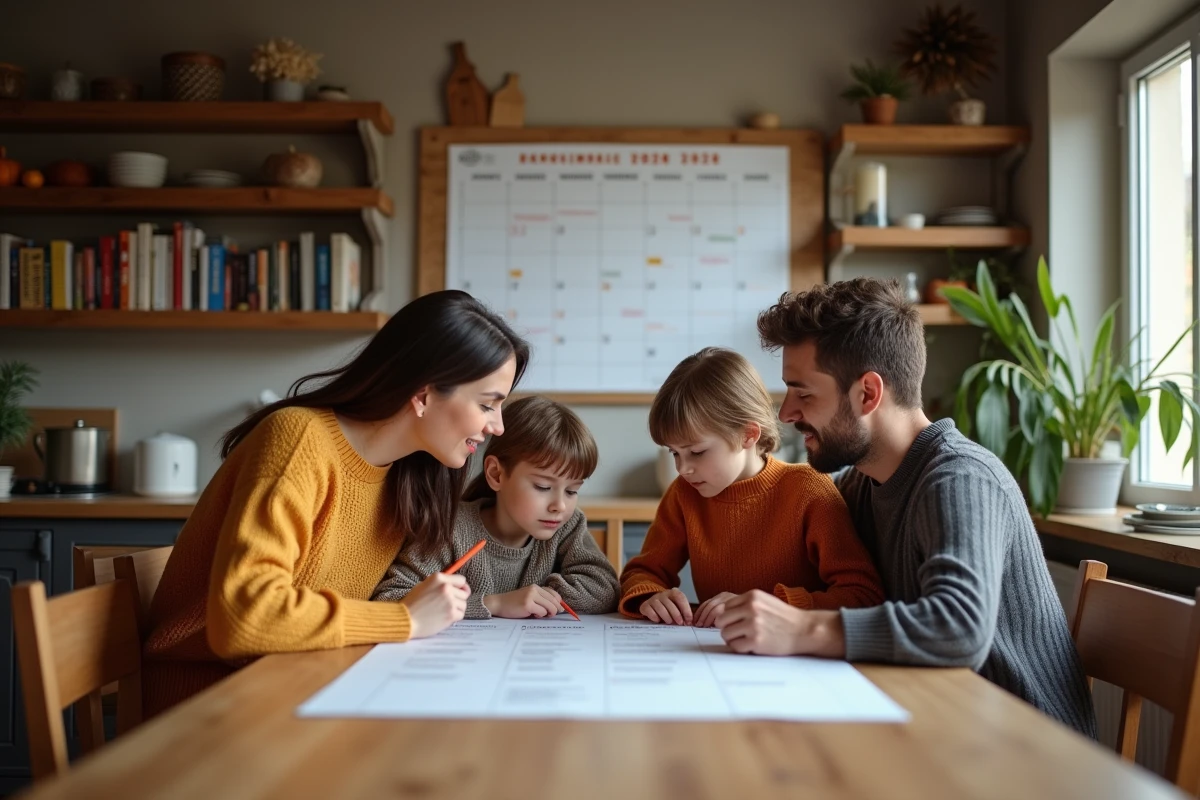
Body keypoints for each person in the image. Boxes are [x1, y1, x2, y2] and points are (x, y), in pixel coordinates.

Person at [714, 278, 1097, 736]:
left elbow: (959, 627)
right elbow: (782, 512)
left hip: (1030, 755)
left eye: (804, 393)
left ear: (868, 394)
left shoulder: (961, 477)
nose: (787, 413)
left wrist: (802, 629)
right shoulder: (861, 484)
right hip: (947, 726)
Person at [142, 290, 529, 717]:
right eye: (487, 405)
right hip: (213, 707)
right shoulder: (298, 440)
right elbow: (245, 618)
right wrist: (405, 620)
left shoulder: (408, 476)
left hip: (310, 686)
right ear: (423, 395)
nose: (497, 425)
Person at [619, 347, 883, 627]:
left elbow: (862, 595)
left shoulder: (809, 490)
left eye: (696, 452)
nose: (682, 469)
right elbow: (641, 574)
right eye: (674, 453)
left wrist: (775, 607)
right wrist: (651, 594)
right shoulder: (684, 493)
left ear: (748, 435)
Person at [374, 396, 620, 618]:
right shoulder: (453, 528)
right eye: (543, 487)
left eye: (572, 491)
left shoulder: (567, 525)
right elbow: (391, 598)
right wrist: (493, 604)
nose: (560, 505)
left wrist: (542, 594)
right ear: (496, 474)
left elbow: (606, 590)